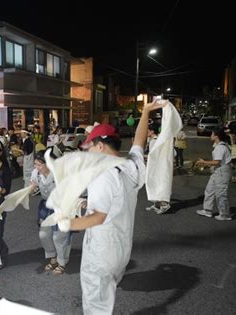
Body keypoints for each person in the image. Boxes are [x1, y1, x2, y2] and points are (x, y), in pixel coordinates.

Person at [56, 101, 164, 314]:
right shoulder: (130, 166)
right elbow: (139, 142)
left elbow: (97, 218)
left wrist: (66, 222)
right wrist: (145, 112)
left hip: (101, 251)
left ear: (100, 146)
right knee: (105, 295)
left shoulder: (103, 174)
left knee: (96, 304)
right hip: (122, 248)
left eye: (89, 147)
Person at [32, 150, 71, 276]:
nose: (36, 167)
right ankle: (52, 257)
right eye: (35, 164)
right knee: (43, 234)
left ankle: (62, 262)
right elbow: (33, 188)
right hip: (46, 206)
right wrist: (32, 188)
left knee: (59, 237)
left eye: (39, 164)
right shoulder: (36, 173)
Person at [195, 128, 233, 221]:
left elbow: (216, 162)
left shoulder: (220, 147)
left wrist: (204, 162)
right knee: (209, 190)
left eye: (212, 134)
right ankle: (207, 210)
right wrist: (206, 163)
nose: (210, 136)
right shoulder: (220, 145)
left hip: (222, 173)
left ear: (216, 136)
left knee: (220, 194)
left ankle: (225, 215)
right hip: (217, 171)